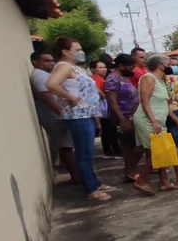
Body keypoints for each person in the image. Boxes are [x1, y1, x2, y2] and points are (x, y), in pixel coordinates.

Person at [44, 36, 111, 201]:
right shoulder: (64, 66)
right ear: (65, 52)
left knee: (87, 153)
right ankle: (91, 189)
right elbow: (51, 84)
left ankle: (94, 182)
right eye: (77, 50)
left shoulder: (75, 67)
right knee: (83, 153)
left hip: (85, 114)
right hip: (77, 115)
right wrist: (70, 97)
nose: (81, 53)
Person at [132, 54, 178, 193]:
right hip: (148, 120)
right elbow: (144, 101)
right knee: (155, 152)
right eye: (168, 63)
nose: (171, 66)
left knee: (161, 151)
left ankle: (164, 183)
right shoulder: (148, 78)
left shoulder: (160, 81)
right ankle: (141, 180)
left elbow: (165, 105)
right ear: (160, 65)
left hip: (159, 120)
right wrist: (153, 121)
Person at [29, 51, 78, 183]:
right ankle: (76, 175)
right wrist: (62, 114)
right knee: (66, 146)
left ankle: (76, 173)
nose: (51, 63)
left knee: (66, 145)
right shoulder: (39, 76)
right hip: (54, 116)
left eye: (52, 60)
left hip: (56, 115)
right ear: (35, 62)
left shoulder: (45, 74)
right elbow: (48, 97)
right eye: (46, 60)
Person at [105, 54, 143, 182]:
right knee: (129, 145)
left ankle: (131, 170)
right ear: (121, 66)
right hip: (123, 117)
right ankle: (130, 172)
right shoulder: (113, 79)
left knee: (134, 145)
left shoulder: (123, 78)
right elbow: (112, 100)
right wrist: (122, 118)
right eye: (129, 67)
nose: (131, 70)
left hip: (131, 115)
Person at [89, 58, 122, 159]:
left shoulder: (99, 78)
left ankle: (108, 151)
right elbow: (96, 90)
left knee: (107, 130)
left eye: (104, 67)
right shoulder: (95, 79)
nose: (103, 69)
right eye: (100, 67)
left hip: (101, 107)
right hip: (102, 107)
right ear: (93, 69)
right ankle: (116, 151)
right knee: (110, 129)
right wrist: (104, 95)